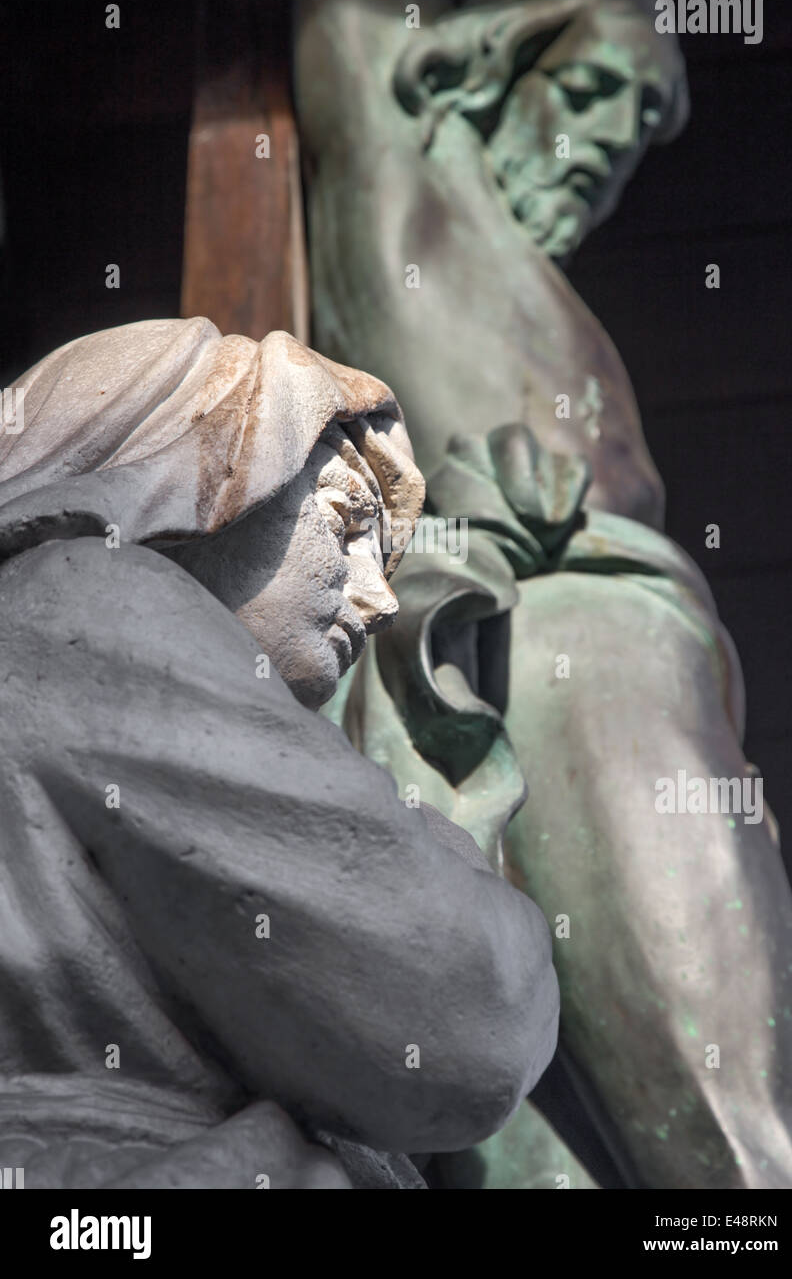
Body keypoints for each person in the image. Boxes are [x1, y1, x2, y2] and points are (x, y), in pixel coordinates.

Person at [294, 0, 792, 1186]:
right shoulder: (406, 153)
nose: (608, 141)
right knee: (743, 1137)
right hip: (561, 626)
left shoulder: (542, 283)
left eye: (639, 125)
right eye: (590, 88)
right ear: (492, 54)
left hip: (630, 649)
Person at [0, 316, 558, 1189]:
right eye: (347, 523)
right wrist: (450, 851)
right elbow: (463, 1016)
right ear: (193, 472)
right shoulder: (86, 600)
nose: (377, 600)